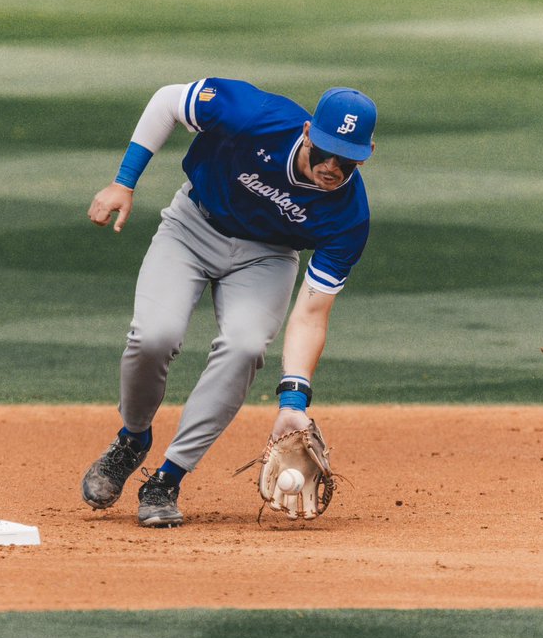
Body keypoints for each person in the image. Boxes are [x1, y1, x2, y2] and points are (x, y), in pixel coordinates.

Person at [81, 77, 376, 527]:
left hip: (268, 257)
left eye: (348, 158)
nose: (333, 166)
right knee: (153, 337)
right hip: (192, 227)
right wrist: (124, 181)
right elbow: (166, 101)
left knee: (245, 346)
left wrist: (293, 401)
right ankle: (132, 439)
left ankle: (167, 478)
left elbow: (312, 313)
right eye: (326, 150)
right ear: (306, 134)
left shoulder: (349, 216)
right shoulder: (254, 116)